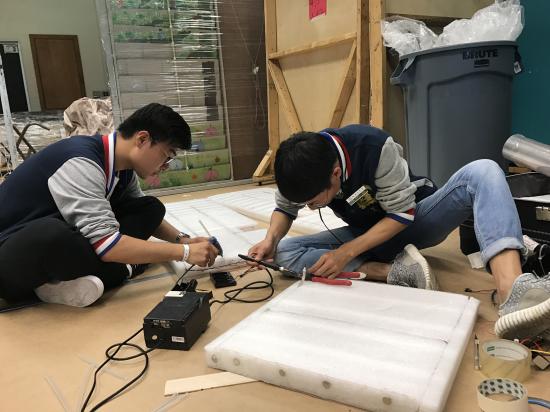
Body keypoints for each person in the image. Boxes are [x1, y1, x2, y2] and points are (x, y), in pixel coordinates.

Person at [248, 124, 550, 340]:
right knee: (283, 252)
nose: (310, 208)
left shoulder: (373, 147)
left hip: (413, 222)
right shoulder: (299, 169)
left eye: (314, 202)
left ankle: (512, 293)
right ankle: (397, 272)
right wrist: (270, 240)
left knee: (483, 171)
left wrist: (345, 253)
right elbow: (285, 208)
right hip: (366, 235)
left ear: (336, 174)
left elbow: (402, 214)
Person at [0, 103, 220, 308]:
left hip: (64, 242)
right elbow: (107, 245)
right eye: (166, 156)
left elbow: (140, 215)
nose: (165, 166)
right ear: (142, 139)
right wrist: (184, 253)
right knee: (54, 235)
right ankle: (122, 269)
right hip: (11, 257)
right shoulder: (81, 161)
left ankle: (84, 277)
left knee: (150, 208)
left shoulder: (121, 168)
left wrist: (182, 240)